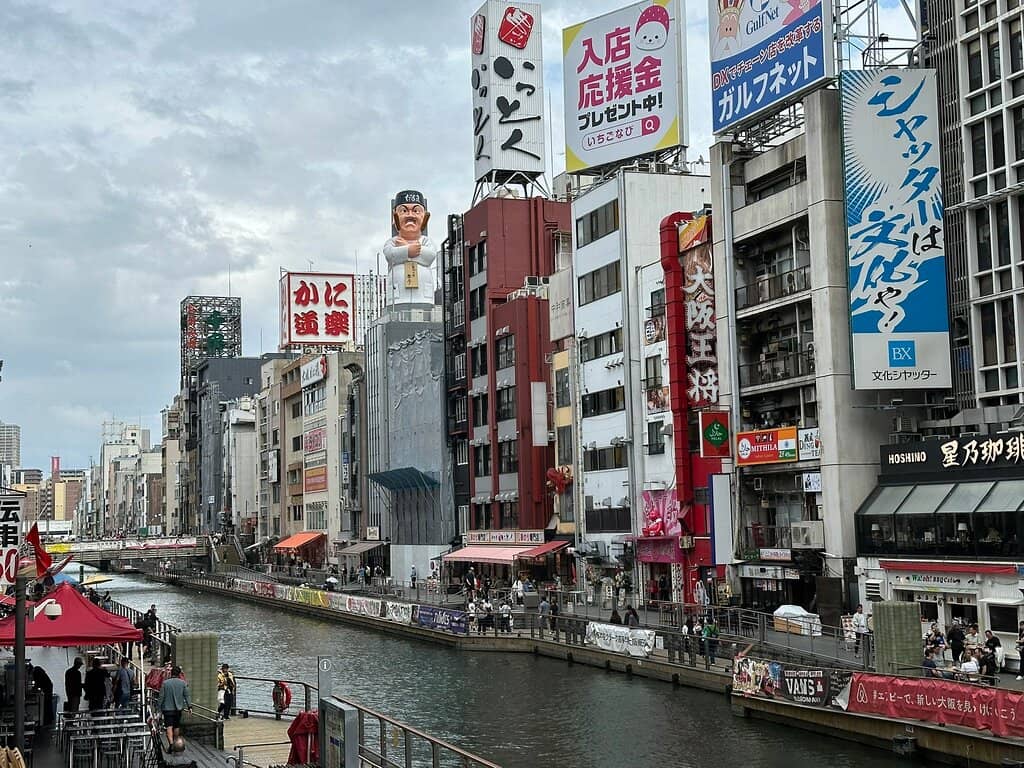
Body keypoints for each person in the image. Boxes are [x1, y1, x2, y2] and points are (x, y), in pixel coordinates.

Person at [382, 189, 439, 307]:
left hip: (424, 298)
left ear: (425, 217)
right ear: (394, 217)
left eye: (416, 211)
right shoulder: (393, 242)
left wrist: (405, 249)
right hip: (397, 299)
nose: (410, 215)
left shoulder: (426, 241)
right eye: (404, 211)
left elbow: (430, 256)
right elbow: (390, 255)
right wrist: (409, 251)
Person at [158, 666, 192, 750]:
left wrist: (159, 708)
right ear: (179, 674)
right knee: (176, 726)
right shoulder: (183, 683)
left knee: (169, 727)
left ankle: (171, 744)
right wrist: (189, 706)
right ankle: (175, 742)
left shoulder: (165, 683)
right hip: (178, 709)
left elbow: (161, 697)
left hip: (167, 709)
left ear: (171, 673)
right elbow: (187, 695)